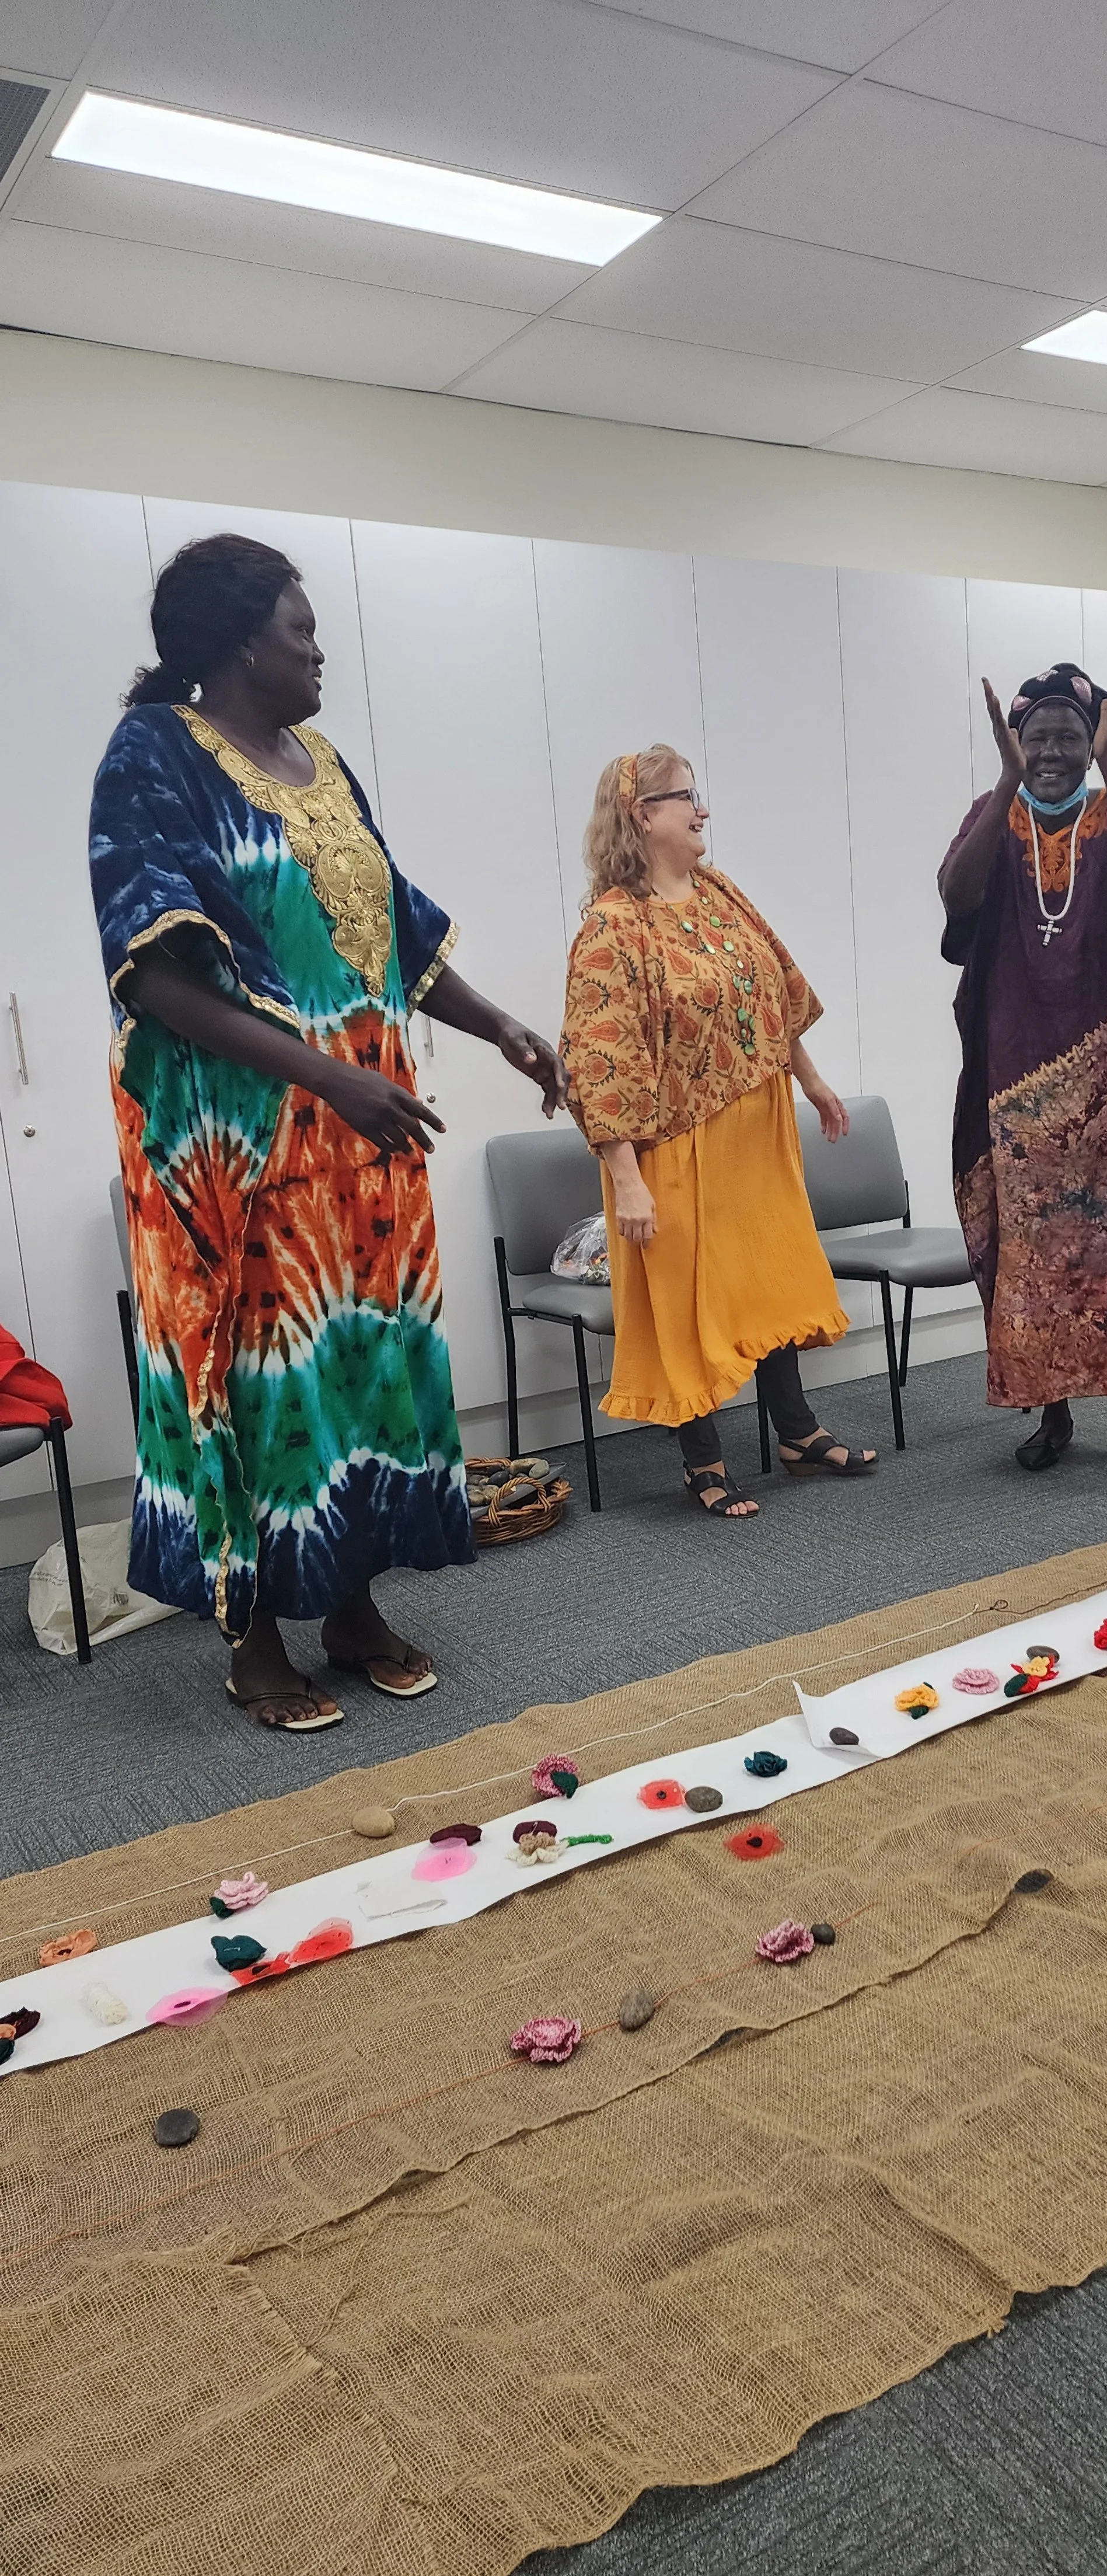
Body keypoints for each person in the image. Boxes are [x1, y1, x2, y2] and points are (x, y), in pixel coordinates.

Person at [90, 534, 567, 1727]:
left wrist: (501, 1024)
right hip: (239, 1142)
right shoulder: (153, 758)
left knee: (366, 1370)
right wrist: (323, 1077)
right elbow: (156, 980)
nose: (317, 652)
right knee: (259, 1381)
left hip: (363, 1143)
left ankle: (351, 1610)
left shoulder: (323, 764)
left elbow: (396, 934)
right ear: (239, 638)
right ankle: (254, 1640)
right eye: (300, 630)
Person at [560, 744, 874, 1516]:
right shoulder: (611, 928)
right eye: (685, 797)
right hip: (672, 1144)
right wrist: (626, 1178)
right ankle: (703, 1460)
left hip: (755, 1127)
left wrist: (814, 1081)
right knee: (689, 1296)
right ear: (642, 815)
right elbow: (598, 1064)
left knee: (769, 1280)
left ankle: (796, 1435)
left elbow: (774, 990)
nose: (702, 810)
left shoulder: (719, 893)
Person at [938, 660, 1107, 1479]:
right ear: (1016, 741)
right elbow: (957, 901)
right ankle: (1053, 1411)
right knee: (1032, 1250)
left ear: (1092, 741)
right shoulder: (993, 815)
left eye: (1069, 736)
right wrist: (1003, 782)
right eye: (1035, 736)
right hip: (1017, 1069)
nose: (1051, 750)